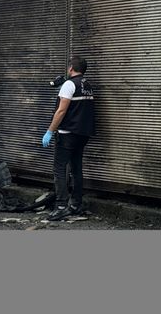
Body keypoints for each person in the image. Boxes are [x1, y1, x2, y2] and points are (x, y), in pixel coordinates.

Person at [42, 56, 95, 221]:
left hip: (67, 134)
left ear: (71, 67)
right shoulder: (86, 84)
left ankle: (61, 206)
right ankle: (76, 204)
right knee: (76, 169)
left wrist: (50, 131)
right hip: (83, 134)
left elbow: (61, 111)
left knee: (59, 169)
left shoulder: (69, 85)